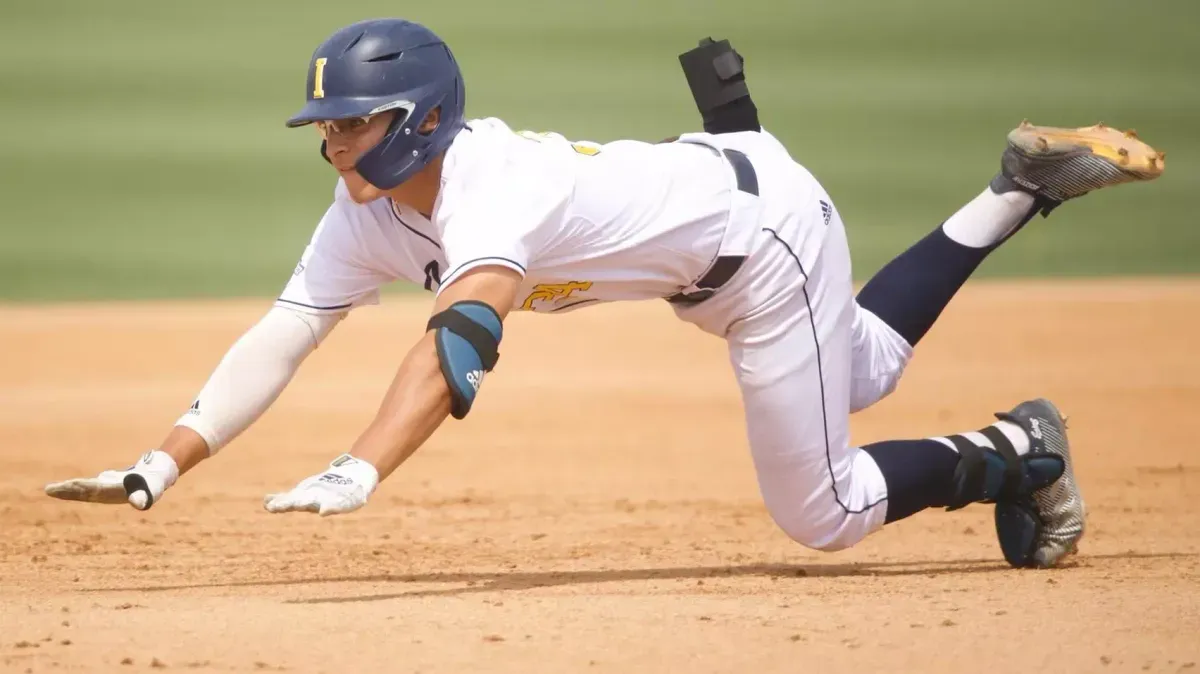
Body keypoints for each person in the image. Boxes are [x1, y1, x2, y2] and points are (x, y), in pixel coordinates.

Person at [45, 18, 1165, 568]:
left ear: (421, 118)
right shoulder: (369, 211)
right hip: (723, 211)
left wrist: (362, 463)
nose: (333, 144)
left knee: (819, 508)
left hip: (764, 245)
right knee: (865, 365)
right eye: (324, 126)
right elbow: (282, 335)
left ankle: (1022, 449)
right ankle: (1014, 191)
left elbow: (463, 332)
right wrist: (163, 458)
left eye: (352, 124)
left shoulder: (493, 186)